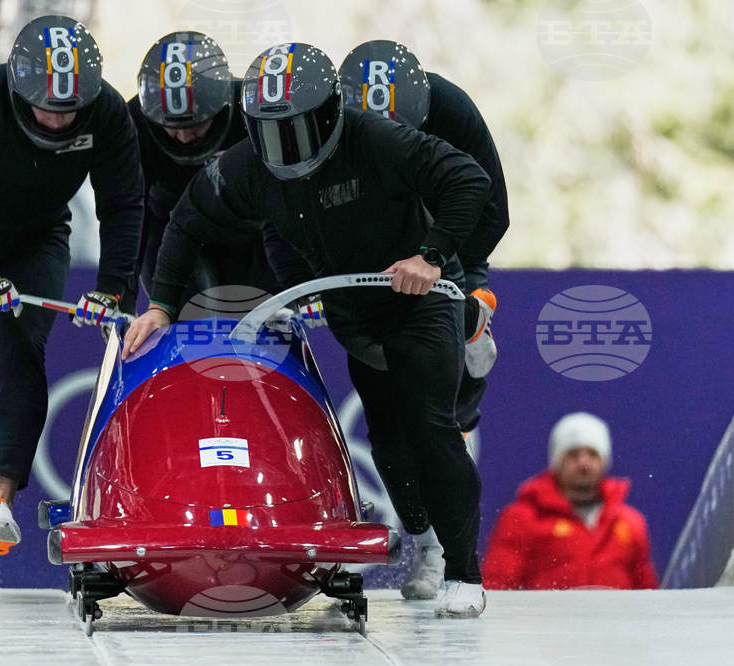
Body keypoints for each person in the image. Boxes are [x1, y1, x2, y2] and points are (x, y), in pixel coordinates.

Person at [124, 43, 491, 618]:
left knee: (428, 427)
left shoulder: (377, 139)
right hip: (355, 312)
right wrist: (162, 306)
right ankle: (428, 550)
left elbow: (468, 179)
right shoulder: (248, 165)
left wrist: (432, 256)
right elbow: (186, 221)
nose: (285, 148)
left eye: (298, 130)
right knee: (388, 438)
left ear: (330, 115)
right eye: (272, 132)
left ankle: (466, 575)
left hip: (417, 304)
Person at [0, 15, 142, 556]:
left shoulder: (108, 113)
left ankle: (2, 496)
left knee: (22, 347)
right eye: (46, 109)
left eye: (69, 112)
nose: (57, 122)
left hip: (36, 238)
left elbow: (124, 204)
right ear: (18, 91)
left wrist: (112, 288)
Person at [332, 40, 510, 600]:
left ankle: (470, 322)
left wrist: (450, 273)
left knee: (434, 416)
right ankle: (425, 541)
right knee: (388, 432)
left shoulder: (452, 109)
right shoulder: (327, 125)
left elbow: (491, 207)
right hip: (369, 260)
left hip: (438, 242)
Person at [124, 31, 279, 316]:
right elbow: (130, 213)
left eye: (195, 126)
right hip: (169, 231)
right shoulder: (134, 124)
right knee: (188, 320)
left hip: (250, 234)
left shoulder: (254, 112)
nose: (183, 137)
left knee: (259, 323)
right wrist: (122, 294)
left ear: (220, 109)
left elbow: (283, 200)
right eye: (172, 128)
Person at [482, 413, 658, 590]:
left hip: (619, 618)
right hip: (547, 618)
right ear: (556, 461)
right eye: (573, 454)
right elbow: (497, 586)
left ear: (605, 461)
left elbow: (649, 595)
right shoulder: (521, 518)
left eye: (592, 454)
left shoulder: (631, 522)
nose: (583, 463)